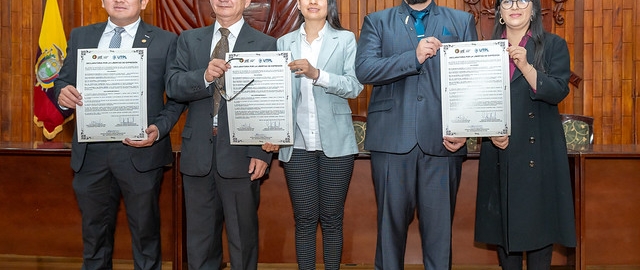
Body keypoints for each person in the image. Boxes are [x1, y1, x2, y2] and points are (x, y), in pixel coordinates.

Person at [53, 0, 184, 269]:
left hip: (140, 151)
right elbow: (63, 81)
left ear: (144, 2)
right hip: (91, 154)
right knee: (93, 237)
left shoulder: (166, 41)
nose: (120, 0)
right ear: (102, 2)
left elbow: (177, 97)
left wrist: (159, 128)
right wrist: (62, 93)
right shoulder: (82, 35)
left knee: (145, 237)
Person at [354, 0, 477, 269]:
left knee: (439, 235)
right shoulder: (377, 22)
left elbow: (472, 80)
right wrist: (414, 57)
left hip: (444, 142)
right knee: (389, 233)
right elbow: (364, 70)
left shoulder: (461, 21)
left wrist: (466, 129)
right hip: (391, 142)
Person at [165, 0, 276, 269]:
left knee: (243, 241)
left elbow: (271, 101)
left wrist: (261, 152)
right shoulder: (189, 40)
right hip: (198, 155)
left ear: (247, 2)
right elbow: (173, 85)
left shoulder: (266, 44)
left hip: (242, 157)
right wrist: (203, 76)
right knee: (200, 244)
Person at [474, 0, 576, 269]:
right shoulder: (485, 50)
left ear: (533, 9)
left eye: (522, 0)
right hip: (500, 151)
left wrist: (527, 66)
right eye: (507, 1)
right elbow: (476, 100)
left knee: (540, 231)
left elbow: (557, 91)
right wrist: (491, 132)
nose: (514, 6)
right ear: (500, 13)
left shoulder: (553, 45)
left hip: (539, 150)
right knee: (503, 231)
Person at [261, 0, 363, 268]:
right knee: (305, 219)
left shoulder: (345, 39)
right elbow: (275, 95)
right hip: (297, 144)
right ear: (298, 5)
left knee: (331, 218)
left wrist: (317, 74)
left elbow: (354, 87)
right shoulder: (284, 42)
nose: (313, 2)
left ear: (329, 4)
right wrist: (273, 131)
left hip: (337, 143)